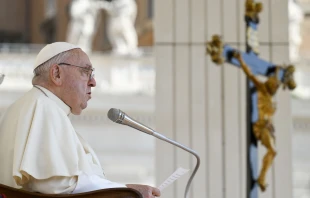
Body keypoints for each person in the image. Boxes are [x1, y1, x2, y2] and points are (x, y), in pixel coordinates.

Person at [0, 42, 160, 198]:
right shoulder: (43, 106)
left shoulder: (29, 106)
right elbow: (55, 184)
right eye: (85, 72)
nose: (93, 82)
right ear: (56, 74)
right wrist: (126, 191)